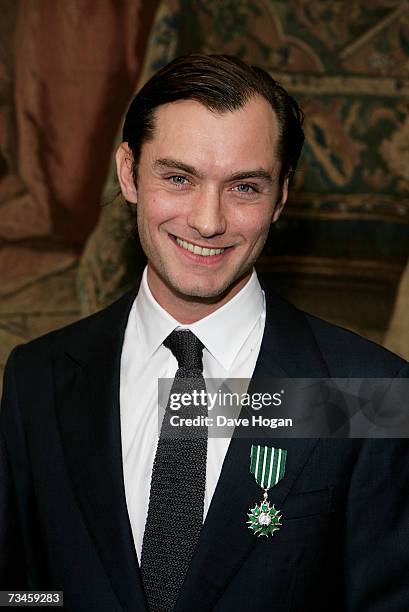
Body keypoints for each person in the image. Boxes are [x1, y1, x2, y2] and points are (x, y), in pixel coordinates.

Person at [1, 54, 408, 612]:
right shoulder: (39, 377)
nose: (208, 221)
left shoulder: (368, 391)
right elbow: (23, 593)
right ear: (129, 173)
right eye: (178, 178)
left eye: (244, 187)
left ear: (281, 196)